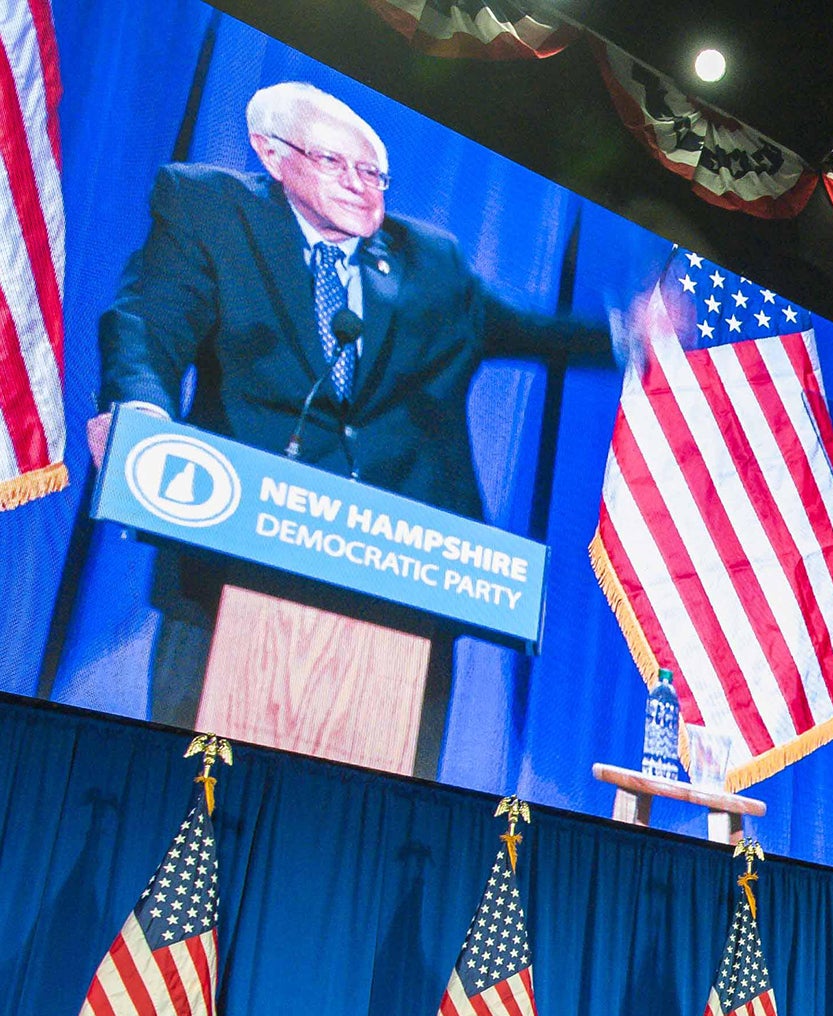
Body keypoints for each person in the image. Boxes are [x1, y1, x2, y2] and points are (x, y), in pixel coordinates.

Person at [92, 81, 619, 764]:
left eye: (374, 173)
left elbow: (526, 330)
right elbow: (150, 322)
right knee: (191, 795)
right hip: (236, 566)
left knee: (379, 822)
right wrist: (141, 412)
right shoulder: (209, 208)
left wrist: (625, 334)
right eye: (336, 164)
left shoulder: (429, 259)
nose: (361, 186)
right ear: (271, 153)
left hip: (403, 591)